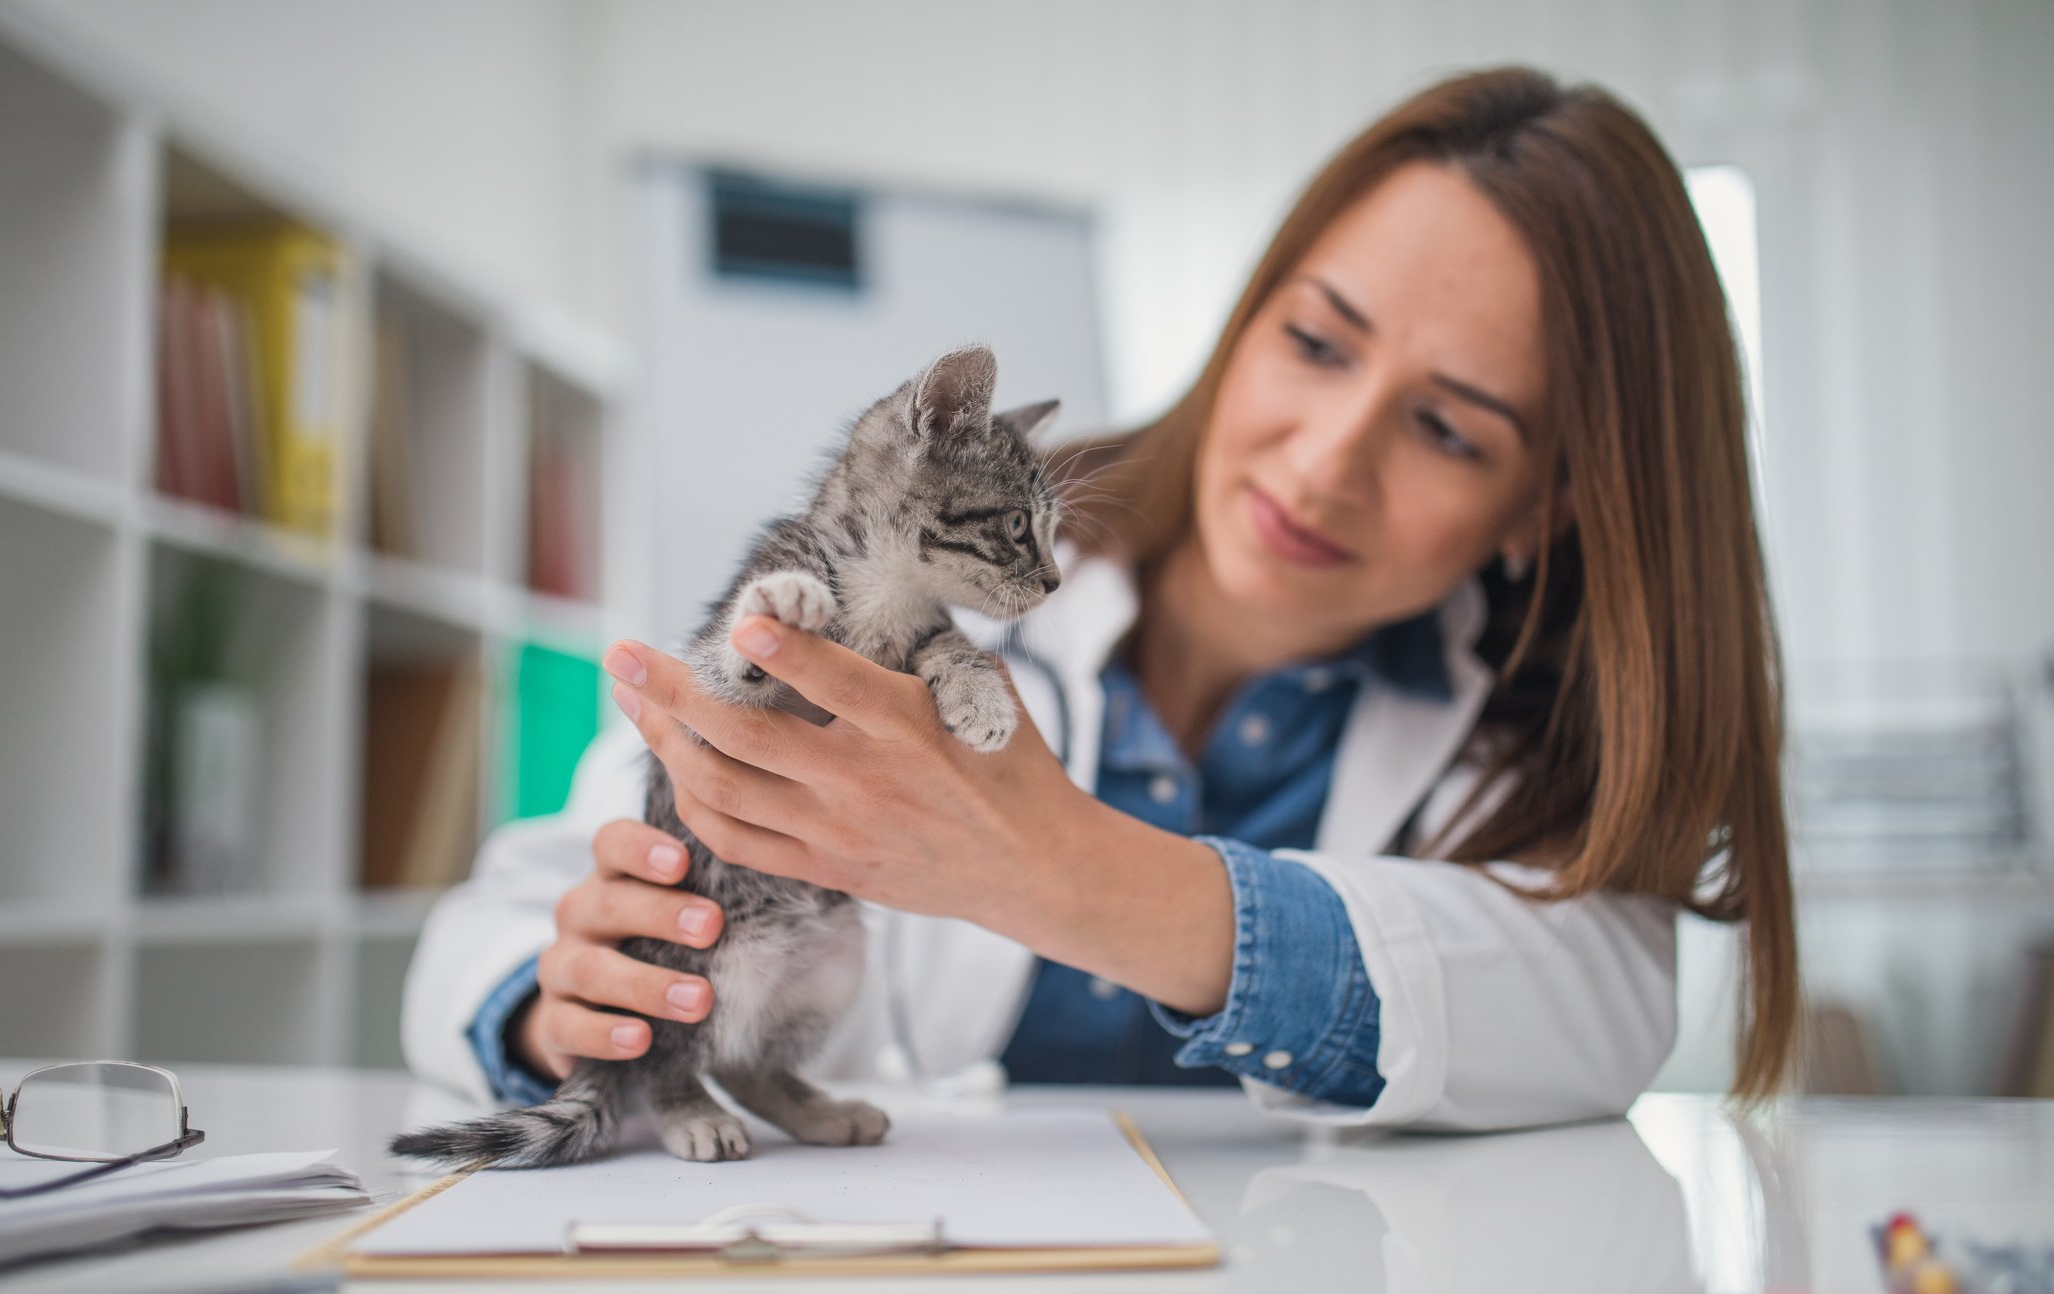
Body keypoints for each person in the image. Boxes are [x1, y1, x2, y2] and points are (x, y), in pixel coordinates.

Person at [402, 65, 1799, 1131]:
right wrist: (562, 1006)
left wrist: (1070, 873)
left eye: (1448, 430)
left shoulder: (1533, 747)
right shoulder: (917, 565)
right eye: (1315, 341)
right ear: (1248, 311)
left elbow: (1593, 1008)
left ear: (1546, 502)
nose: (1324, 463)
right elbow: (504, 912)